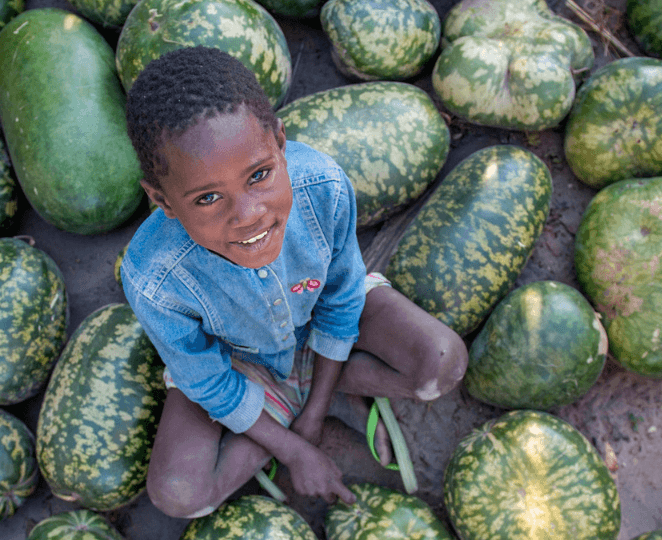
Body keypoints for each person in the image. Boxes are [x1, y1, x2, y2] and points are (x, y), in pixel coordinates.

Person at [120, 45, 467, 519]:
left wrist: (313, 417)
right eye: (207, 199)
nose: (248, 215)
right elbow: (206, 381)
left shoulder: (323, 186)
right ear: (162, 200)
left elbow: (342, 299)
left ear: (281, 144)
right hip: (240, 363)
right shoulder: (154, 278)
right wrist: (296, 451)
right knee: (180, 494)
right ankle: (303, 400)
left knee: (442, 362)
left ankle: (313, 391)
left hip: (323, 317)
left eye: (259, 175)